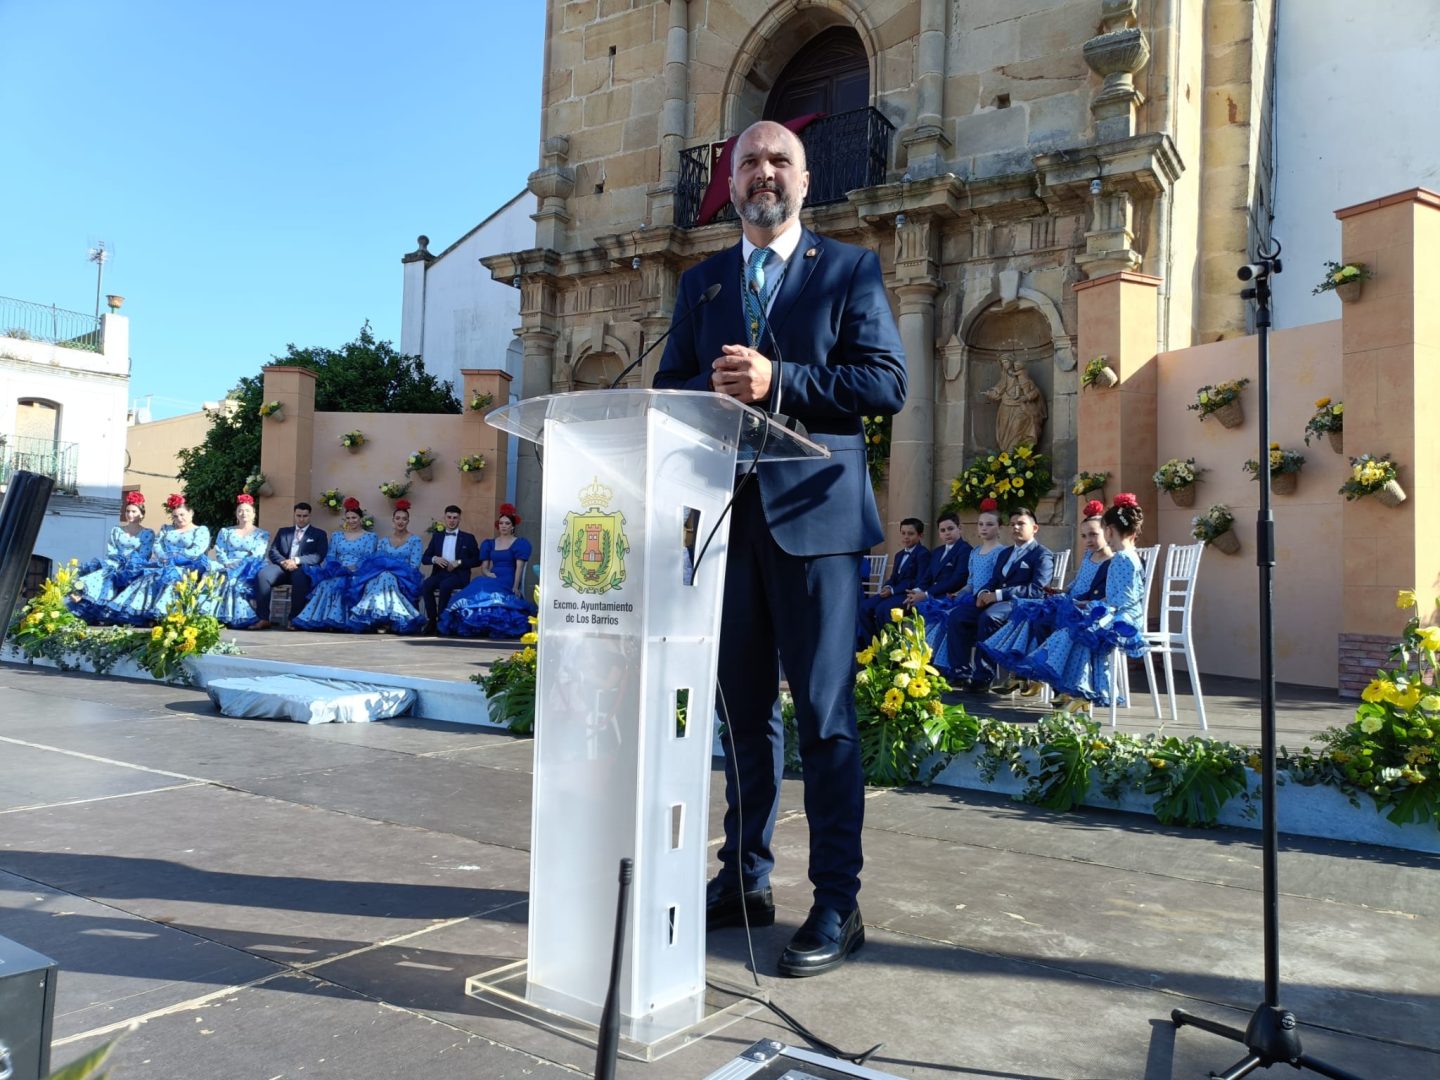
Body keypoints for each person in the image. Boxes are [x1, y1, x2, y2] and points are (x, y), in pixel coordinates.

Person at [653, 119, 907, 977]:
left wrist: (780, 381)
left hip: (818, 524)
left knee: (826, 717)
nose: (764, 173)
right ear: (730, 184)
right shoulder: (703, 284)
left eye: (779, 161)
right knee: (743, 715)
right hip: (727, 522)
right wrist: (711, 391)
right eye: (749, 163)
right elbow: (669, 386)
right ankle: (745, 879)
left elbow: (887, 383)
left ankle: (837, 900)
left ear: (803, 180)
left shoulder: (848, 270)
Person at [1009, 494, 1149, 710]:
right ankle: (1075, 689)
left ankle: (1078, 689)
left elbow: (1121, 600)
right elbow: (1119, 596)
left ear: (1110, 530)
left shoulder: (1121, 557)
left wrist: (1090, 606)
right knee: (1073, 626)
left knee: (1076, 630)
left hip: (1123, 619)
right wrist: (1086, 605)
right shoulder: (1129, 554)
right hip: (1120, 612)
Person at [979, 499, 1112, 692]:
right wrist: (1061, 592)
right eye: (1084, 536)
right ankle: (1024, 673)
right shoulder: (1088, 556)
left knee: (1038, 618)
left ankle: (1046, 681)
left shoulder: (1112, 561)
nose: (1088, 540)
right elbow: (1076, 585)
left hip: (1089, 609)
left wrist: (1078, 602)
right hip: (1073, 603)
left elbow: (1104, 594)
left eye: (1093, 534)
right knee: (1033, 617)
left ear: (1107, 532)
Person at [942, 506, 1054, 692]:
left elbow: (1037, 590)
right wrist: (982, 593)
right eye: (1012, 524)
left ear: (1035, 528)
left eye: (1021, 524)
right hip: (995, 601)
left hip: (1020, 604)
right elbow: (994, 580)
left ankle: (983, 676)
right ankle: (960, 673)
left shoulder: (1042, 554)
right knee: (958, 615)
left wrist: (998, 595)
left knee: (989, 617)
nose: (1015, 527)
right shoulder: (1005, 553)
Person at [924, 500, 1006, 672]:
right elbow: (971, 582)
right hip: (971, 598)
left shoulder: (1002, 552)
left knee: (955, 616)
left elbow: (997, 580)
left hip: (987, 600)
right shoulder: (975, 552)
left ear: (1000, 527)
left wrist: (982, 595)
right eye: (980, 524)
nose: (984, 528)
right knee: (941, 613)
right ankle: (942, 665)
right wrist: (959, 593)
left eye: (989, 524)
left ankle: (961, 668)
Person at [105, 494, 212, 625]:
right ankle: (141, 612)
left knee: (172, 578)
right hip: (164, 563)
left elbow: (197, 550)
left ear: (191, 513)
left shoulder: (200, 530)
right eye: (175, 516)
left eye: (182, 514)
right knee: (148, 577)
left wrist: (176, 558)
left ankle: (164, 614)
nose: (179, 518)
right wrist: (163, 557)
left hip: (188, 565)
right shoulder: (166, 529)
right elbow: (157, 545)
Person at [439, 503, 537, 638]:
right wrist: (488, 573)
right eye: (501, 523)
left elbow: (519, 567)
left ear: (513, 526)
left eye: (507, 523)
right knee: (479, 583)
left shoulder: (519, 543)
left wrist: (515, 586)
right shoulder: (490, 543)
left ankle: (493, 623)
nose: (503, 526)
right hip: (491, 576)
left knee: (484, 587)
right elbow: (484, 567)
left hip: (508, 578)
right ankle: (475, 622)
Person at [291, 498, 377, 631]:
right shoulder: (337, 535)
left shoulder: (370, 537)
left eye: (354, 517)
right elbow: (331, 554)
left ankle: (342, 621)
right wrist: (336, 567)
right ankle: (324, 620)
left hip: (358, 571)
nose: (351, 521)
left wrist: (351, 568)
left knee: (344, 583)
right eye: (348, 518)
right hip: (337, 569)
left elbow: (368, 557)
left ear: (360, 518)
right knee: (325, 584)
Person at [70, 491, 155, 623]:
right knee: (105, 572)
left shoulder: (148, 533)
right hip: (116, 561)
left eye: (134, 511)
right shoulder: (117, 530)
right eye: (127, 511)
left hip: (136, 565)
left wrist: (130, 564)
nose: (130, 514)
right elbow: (112, 549)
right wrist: (117, 561)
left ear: (142, 514)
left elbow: (145, 553)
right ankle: (81, 592)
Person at [348, 500, 426, 634]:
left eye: (404, 519)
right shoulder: (383, 541)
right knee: (377, 580)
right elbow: (377, 562)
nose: (400, 522)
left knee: (386, 578)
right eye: (398, 518)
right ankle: (381, 619)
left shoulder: (415, 540)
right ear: (393, 521)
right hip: (382, 575)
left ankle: (387, 619)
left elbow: (414, 565)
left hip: (406, 576)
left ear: (408, 521)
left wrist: (394, 572)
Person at [254, 503, 329, 629]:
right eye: (298, 515)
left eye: (305, 516)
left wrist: (296, 560)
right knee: (263, 575)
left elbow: (318, 556)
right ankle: (264, 618)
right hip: (282, 567)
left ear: (309, 516)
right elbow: (273, 551)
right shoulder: (283, 532)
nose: (301, 519)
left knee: (300, 578)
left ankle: (294, 619)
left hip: (303, 568)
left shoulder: (319, 534)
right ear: (294, 515)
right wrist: (284, 562)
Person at [205, 494, 271, 628]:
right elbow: (220, 550)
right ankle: (214, 615)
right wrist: (227, 563)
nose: (243, 513)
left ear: (254, 514)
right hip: (227, 563)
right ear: (236, 514)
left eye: (247, 511)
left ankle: (241, 616)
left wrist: (240, 565)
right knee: (213, 576)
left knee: (233, 581)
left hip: (249, 566)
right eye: (240, 511)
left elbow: (257, 553)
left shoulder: (261, 534)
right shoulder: (226, 531)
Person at [857, 518, 928, 640]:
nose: (906, 537)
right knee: (864, 607)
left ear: (920, 535)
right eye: (903, 533)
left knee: (883, 609)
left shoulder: (923, 554)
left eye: (910, 534)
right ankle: (872, 644)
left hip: (907, 593)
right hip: (893, 591)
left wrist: (893, 590)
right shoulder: (899, 555)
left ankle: (888, 644)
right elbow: (893, 577)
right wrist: (887, 586)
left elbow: (917, 580)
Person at [420, 505, 480, 635]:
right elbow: (425, 558)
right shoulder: (437, 536)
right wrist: (435, 559)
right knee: (426, 585)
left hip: (458, 575)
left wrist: (459, 562)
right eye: (449, 517)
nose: (452, 520)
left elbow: (477, 560)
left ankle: (442, 622)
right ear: (444, 518)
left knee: (445, 586)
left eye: (455, 518)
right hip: (440, 573)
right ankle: (432, 621)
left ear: (459, 519)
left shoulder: (468, 538)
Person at [984, 353, 1047, 452]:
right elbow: (998, 391)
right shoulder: (1004, 378)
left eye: (1006, 362)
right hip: (1005, 407)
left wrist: (1025, 397)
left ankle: (1014, 454)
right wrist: (990, 393)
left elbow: (1035, 392)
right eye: (1003, 363)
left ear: (1011, 362)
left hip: (1019, 408)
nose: (1005, 364)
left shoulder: (1022, 376)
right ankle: (1006, 454)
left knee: (1016, 430)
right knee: (1004, 431)